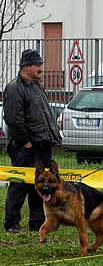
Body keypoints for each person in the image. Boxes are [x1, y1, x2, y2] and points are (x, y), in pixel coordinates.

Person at [3, 49, 62, 233]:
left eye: (41, 65)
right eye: (37, 65)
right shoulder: (14, 88)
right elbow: (13, 119)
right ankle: (12, 222)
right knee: (19, 184)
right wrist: (26, 142)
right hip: (25, 147)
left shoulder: (36, 86)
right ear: (26, 67)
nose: (41, 69)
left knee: (40, 186)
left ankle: (37, 222)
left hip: (42, 144)